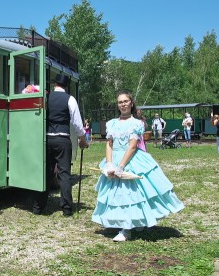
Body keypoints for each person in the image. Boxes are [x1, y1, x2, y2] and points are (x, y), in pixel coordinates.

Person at [92, 91, 184, 242]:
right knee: (116, 195)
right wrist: (109, 164)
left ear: (131, 103)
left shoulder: (136, 123)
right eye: (120, 102)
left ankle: (126, 229)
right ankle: (129, 222)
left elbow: (133, 146)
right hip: (114, 159)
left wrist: (121, 166)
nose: (123, 104)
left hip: (130, 160)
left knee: (130, 194)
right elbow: (109, 144)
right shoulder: (112, 123)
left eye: (126, 101)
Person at [33, 74, 88, 217]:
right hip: (63, 139)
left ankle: (39, 206)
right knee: (64, 174)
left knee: (45, 173)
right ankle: (67, 208)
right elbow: (76, 122)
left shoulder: (46, 97)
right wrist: (82, 139)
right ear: (66, 86)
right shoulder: (70, 99)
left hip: (47, 140)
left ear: (54, 84)